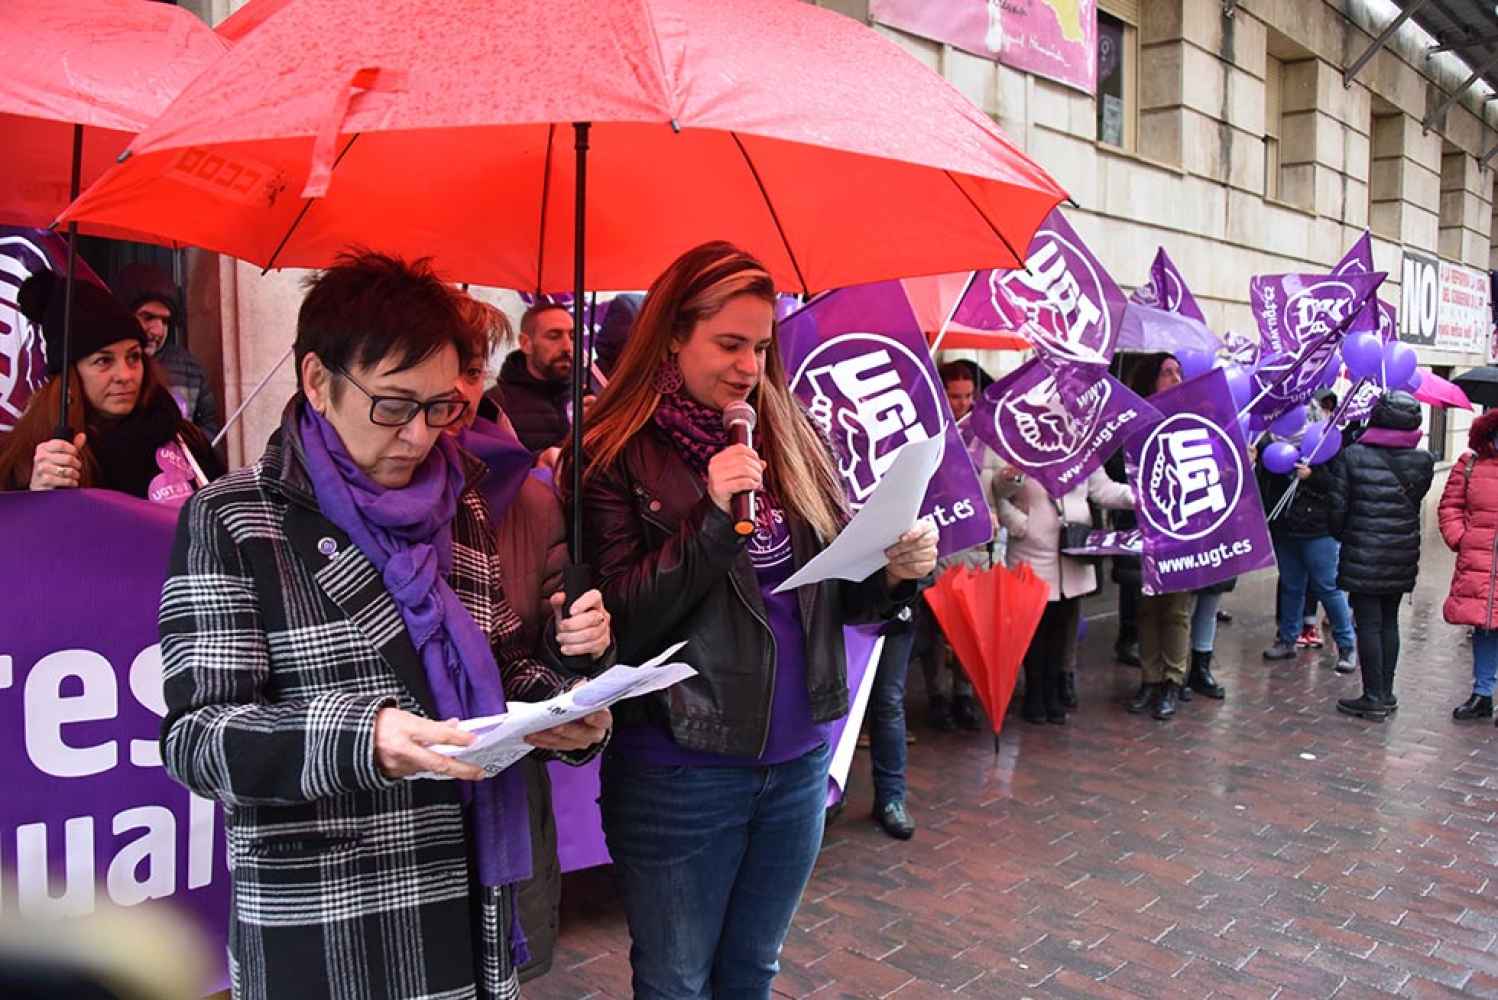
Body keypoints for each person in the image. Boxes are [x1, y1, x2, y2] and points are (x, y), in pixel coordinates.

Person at [158, 252, 614, 1000]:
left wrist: (570, 698)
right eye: (394, 405)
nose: (420, 436)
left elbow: (500, 663)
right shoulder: (237, 517)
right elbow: (198, 738)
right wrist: (365, 739)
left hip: (469, 896)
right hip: (329, 920)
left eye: (441, 408)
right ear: (316, 381)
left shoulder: (459, 499)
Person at [572, 241, 936, 999]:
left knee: (752, 972)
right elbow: (623, 626)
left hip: (799, 757)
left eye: (762, 347)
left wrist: (895, 573)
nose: (749, 368)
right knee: (676, 980)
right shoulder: (610, 452)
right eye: (729, 344)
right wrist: (711, 516)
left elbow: (838, 594)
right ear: (673, 334)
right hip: (682, 765)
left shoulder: (790, 434)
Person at [0, 270, 221, 496]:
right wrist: (38, 495)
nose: (125, 375)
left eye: (133, 357)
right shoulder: (28, 457)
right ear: (70, 376)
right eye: (104, 361)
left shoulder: (184, 439)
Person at [1327, 390, 1434, 720]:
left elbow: (1336, 513)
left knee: (1368, 624)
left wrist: (1350, 536)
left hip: (1363, 552)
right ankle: (1386, 693)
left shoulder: (1353, 456)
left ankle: (1372, 697)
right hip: (1401, 552)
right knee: (1389, 622)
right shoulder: (1424, 461)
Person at [997, 466, 1132, 723]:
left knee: (1063, 625)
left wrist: (1140, 497)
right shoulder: (1017, 444)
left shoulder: (1081, 446)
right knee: (1035, 628)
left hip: (1072, 549)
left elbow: (1102, 490)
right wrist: (1017, 523)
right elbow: (998, 493)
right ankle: (1034, 693)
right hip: (1031, 552)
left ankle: (1053, 691)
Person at [1123, 353, 1194, 720]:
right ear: (1151, 379)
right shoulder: (1135, 420)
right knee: (1148, 607)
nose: (1176, 378)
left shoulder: (1191, 417)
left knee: (1176, 610)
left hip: (1181, 526)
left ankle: (1172, 680)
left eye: (1179, 372)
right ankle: (1149, 678)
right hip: (1145, 526)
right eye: (1167, 373)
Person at [1257, 431, 1358, 673]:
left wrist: (1312, 476)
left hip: (1317, 529)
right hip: (1284, 526)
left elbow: (1339, 485)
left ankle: (1346, 645)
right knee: (1291, 585)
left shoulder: (1326, 443)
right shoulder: (1268, 442)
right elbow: (1264, 485)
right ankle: (1287, 639)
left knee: (1328, 587)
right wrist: (1256, 462)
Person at [112, 262, 221, 441]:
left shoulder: (189, 368)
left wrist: (194, 447)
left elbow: (209, 423)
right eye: (147, 317)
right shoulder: (104, 368)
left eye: (165, 321)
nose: (158, 331)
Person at [1439, 408, 1498, 722]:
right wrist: (1461, 539)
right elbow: (1451, 505)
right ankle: (1483, 693)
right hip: (1480, 560)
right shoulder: (1471, 463)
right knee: (1485, 627)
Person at [491, 300, 577, 453]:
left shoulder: (587, 394)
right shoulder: (496, 404)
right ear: (526, 343)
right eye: (554, 336)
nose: (567, 347)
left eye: (572, 337)